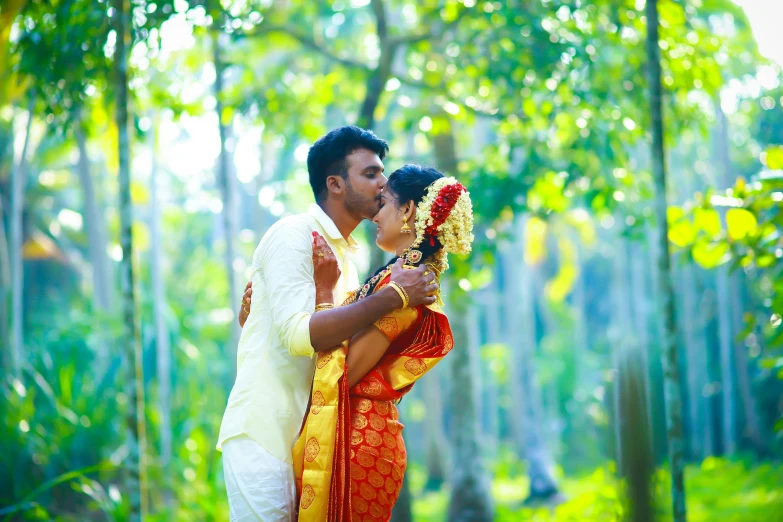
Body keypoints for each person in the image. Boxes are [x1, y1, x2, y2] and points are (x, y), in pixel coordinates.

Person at [217, 126, 439, 522]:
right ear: (335, 184)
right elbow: (302, 336)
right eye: (370, 173)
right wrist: (392, 297)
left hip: (313, 439)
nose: (383, 183)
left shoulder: (348, 264)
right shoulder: (295, 235)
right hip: (267, 433)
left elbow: (339, 348)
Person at [244, 165, 474, 521]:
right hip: (353, 432)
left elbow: (346, 371)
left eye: (383, 204)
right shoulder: (399, 279)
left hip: (360, 440)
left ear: (408, 210)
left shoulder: (407, 287)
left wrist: (323, 296)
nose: (375, 216)